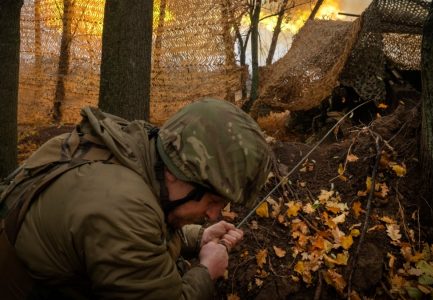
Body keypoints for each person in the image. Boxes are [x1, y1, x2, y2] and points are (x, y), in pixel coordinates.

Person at [0, 98, 272, 299]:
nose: (214, 214)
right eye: (212, 201)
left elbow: (138, 230)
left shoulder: (122, 150)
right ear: (177, 174)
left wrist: (196, 238)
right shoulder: (122, 208)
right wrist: (205, 271)